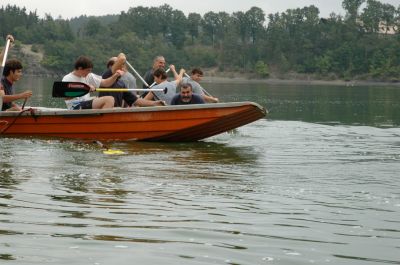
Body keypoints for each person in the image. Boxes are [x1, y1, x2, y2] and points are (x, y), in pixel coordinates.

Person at [99, 53, 165, 107]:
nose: (122, 66)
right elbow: (122, 58)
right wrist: (122, 58)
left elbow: (136, 101)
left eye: (123, 65)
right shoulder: (105, 77)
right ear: (110, 67)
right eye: (118, 64)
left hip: (116, 115)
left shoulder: (121, 84)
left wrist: (154, 103)